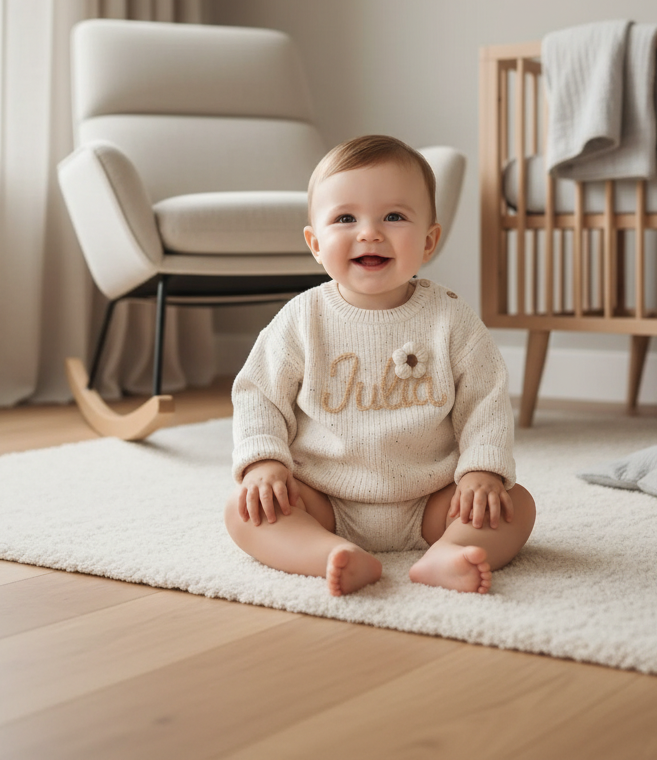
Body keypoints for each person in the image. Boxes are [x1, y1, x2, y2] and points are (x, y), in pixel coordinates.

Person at [224, 134, 535, 596]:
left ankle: (449, 552)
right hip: (322, 497)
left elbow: (484, 401)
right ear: (315, 243)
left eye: (394, 216)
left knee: (515, 504)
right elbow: (259, 395)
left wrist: (480, 472)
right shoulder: (301, 318)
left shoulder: (451, 319)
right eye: (345, 218)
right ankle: (327, 554)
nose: (369, 232)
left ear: (429, 241)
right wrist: (264, 463)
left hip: (431, 497)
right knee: (244, 511)